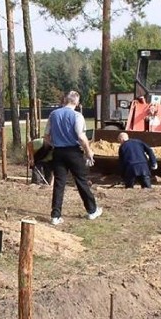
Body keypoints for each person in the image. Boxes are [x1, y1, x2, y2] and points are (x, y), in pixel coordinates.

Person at [44, 91, 102, 225]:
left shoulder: (53, 114)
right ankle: (92, 210)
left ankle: (55, 215)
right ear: (76, 102)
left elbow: (46, 136)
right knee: (81, 181)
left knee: (59, 183)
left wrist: (55, 144)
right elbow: (81, 136)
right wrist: (88, 151)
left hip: (58, 152)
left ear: (65, 100)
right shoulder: (77, 115)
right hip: (73, 152)